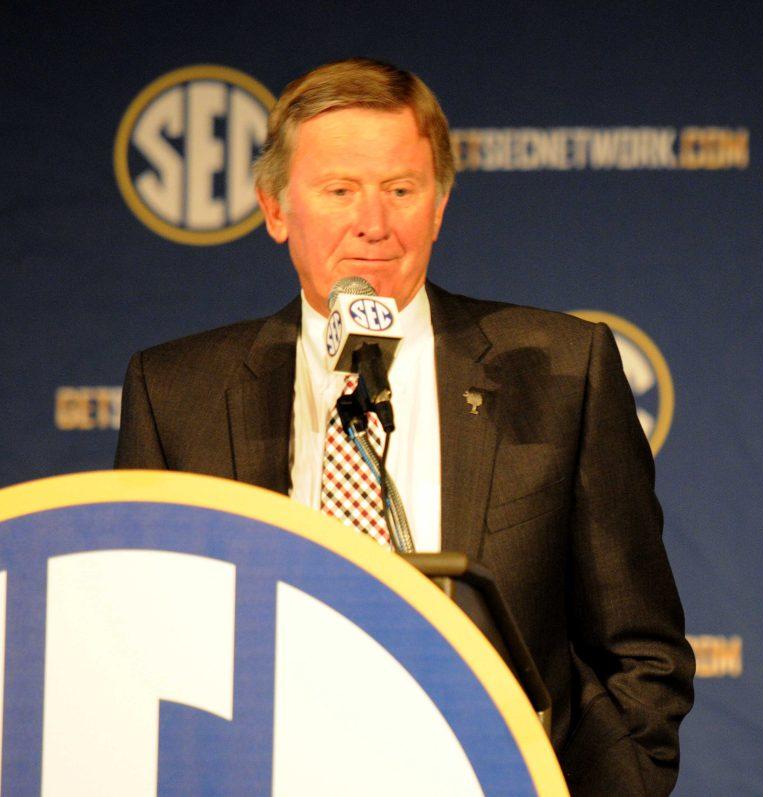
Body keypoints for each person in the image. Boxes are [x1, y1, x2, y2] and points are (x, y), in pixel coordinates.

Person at [115, 57, 694, 795]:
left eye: (400, 189)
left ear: (440, 205)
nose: (374, 223)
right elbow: (139, 639)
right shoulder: (177, 393)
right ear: (275, 208)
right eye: (340, 190)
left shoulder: (559, 371)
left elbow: (640, 649)